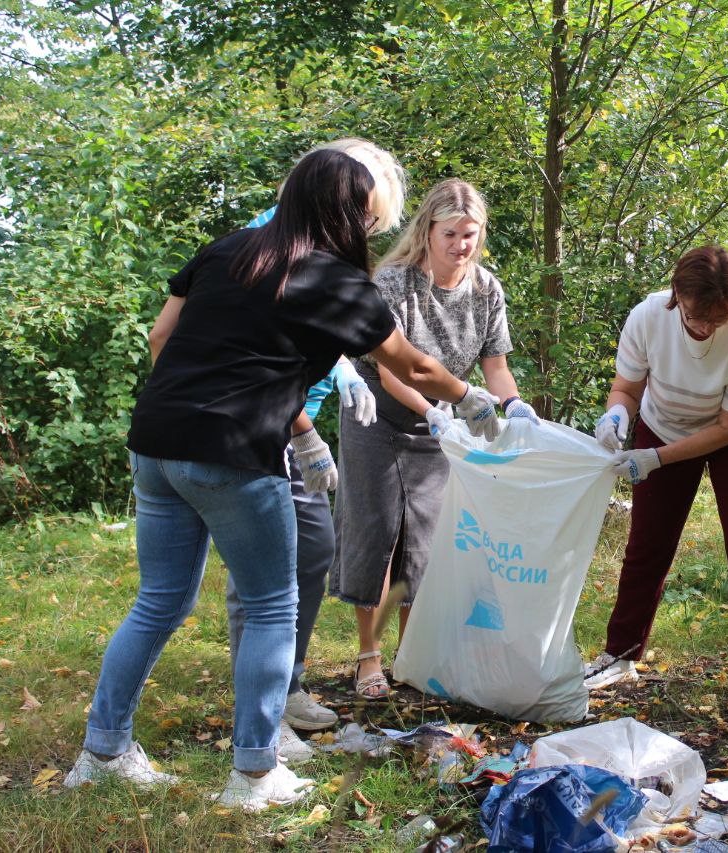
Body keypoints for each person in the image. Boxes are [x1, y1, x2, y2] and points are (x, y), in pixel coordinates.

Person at [64, 145, 501, 811]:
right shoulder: (333, 278)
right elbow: (410, 366)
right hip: (235, 452)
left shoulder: (228, 250)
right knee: (271, 604)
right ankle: (254, 772)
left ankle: (102, 752)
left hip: (154, 442)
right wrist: (469, 397)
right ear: (350, 214)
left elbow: (159, 338)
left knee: (158, 602)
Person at [331, 178, 539, 700]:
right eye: (451, 234)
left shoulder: (487, 289)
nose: (460, 245)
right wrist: (437, 410)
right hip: (376, 416)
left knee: (425, 545)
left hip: (442, 427)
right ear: (427, 230)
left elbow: (496, 366)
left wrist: (513, 405)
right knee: (374, 534)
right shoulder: (394, 283)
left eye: (470, 235)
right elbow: (393, 368)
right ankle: (367, 658)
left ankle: (412, 656)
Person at [225, 140, 386, 765]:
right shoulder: (263, 240)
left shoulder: (319, 245)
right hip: (260, 430)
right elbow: (262, 349)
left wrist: (343, 367)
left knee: (313, 549)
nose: (367, 229)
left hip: (298, 421)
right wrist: (301, 427)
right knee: (262, 582)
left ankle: (284, 686)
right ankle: (261, 715)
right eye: (365, 214)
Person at [584, 245, 728, 723]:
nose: (704, 328)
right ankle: (620, 657)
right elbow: (628, 387)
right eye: (698, 317)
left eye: (716, 320)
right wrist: (617, 413)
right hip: (665, 423)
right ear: (678, 293)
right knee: (648, 543)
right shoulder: (647, 317)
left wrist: (655, 459)